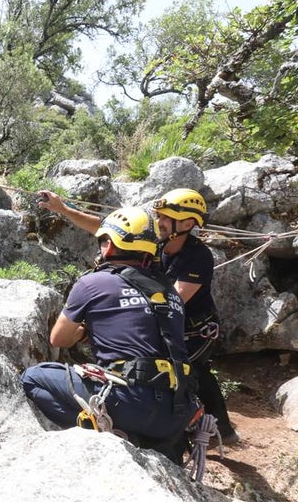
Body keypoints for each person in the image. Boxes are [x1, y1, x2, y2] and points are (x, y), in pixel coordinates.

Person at [37, 188, 239, 444]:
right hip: (162, 320)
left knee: (191, 371)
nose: (159, 221)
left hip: (193, 328)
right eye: (159, 216)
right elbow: (110, 229)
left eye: (166, 217)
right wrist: (64, 210)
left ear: (187, 223)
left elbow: (170, 301)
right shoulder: (157, 239)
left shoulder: (198, 257)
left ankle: (220, 426)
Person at [20, 206, 199, 462]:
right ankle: (141, 440)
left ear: (110, 245)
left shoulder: (93, 283)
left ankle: (109, 435)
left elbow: (58, 339)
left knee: (32, 378)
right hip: (177, 410)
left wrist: (84, 331)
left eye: (103, 240)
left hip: (128, 401)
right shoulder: (170, 291)